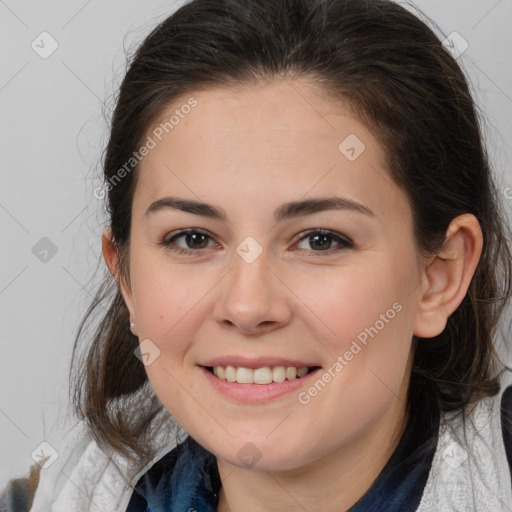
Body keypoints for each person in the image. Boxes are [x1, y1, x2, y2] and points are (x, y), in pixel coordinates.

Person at [2, 0, 512, 510]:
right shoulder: (43, 498)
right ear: (127, 278)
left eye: (320, 240)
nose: (247, 308)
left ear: (438, 277)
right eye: (193, 239)